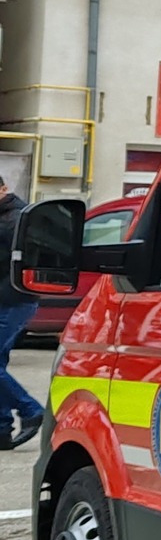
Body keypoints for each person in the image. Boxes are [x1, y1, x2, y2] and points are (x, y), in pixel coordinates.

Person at [0, 177, 44, 450]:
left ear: (3, 189)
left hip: (13, 301)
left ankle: (31, 410)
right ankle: (2, 428)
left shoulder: (15, 219)